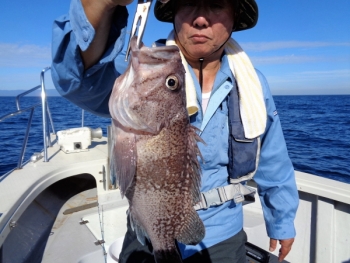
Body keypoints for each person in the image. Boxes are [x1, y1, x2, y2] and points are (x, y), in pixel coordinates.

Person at [51, 0, 299, 262]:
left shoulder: (252, 83)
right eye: (189, 3)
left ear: (235, 18)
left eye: (216, 5)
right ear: (174, 15)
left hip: (224, 234)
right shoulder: (144, 70)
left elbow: (273, 158)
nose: (201, 19)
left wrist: (281, 220)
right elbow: (76, 81)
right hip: (146, 229)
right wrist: (101, 3)